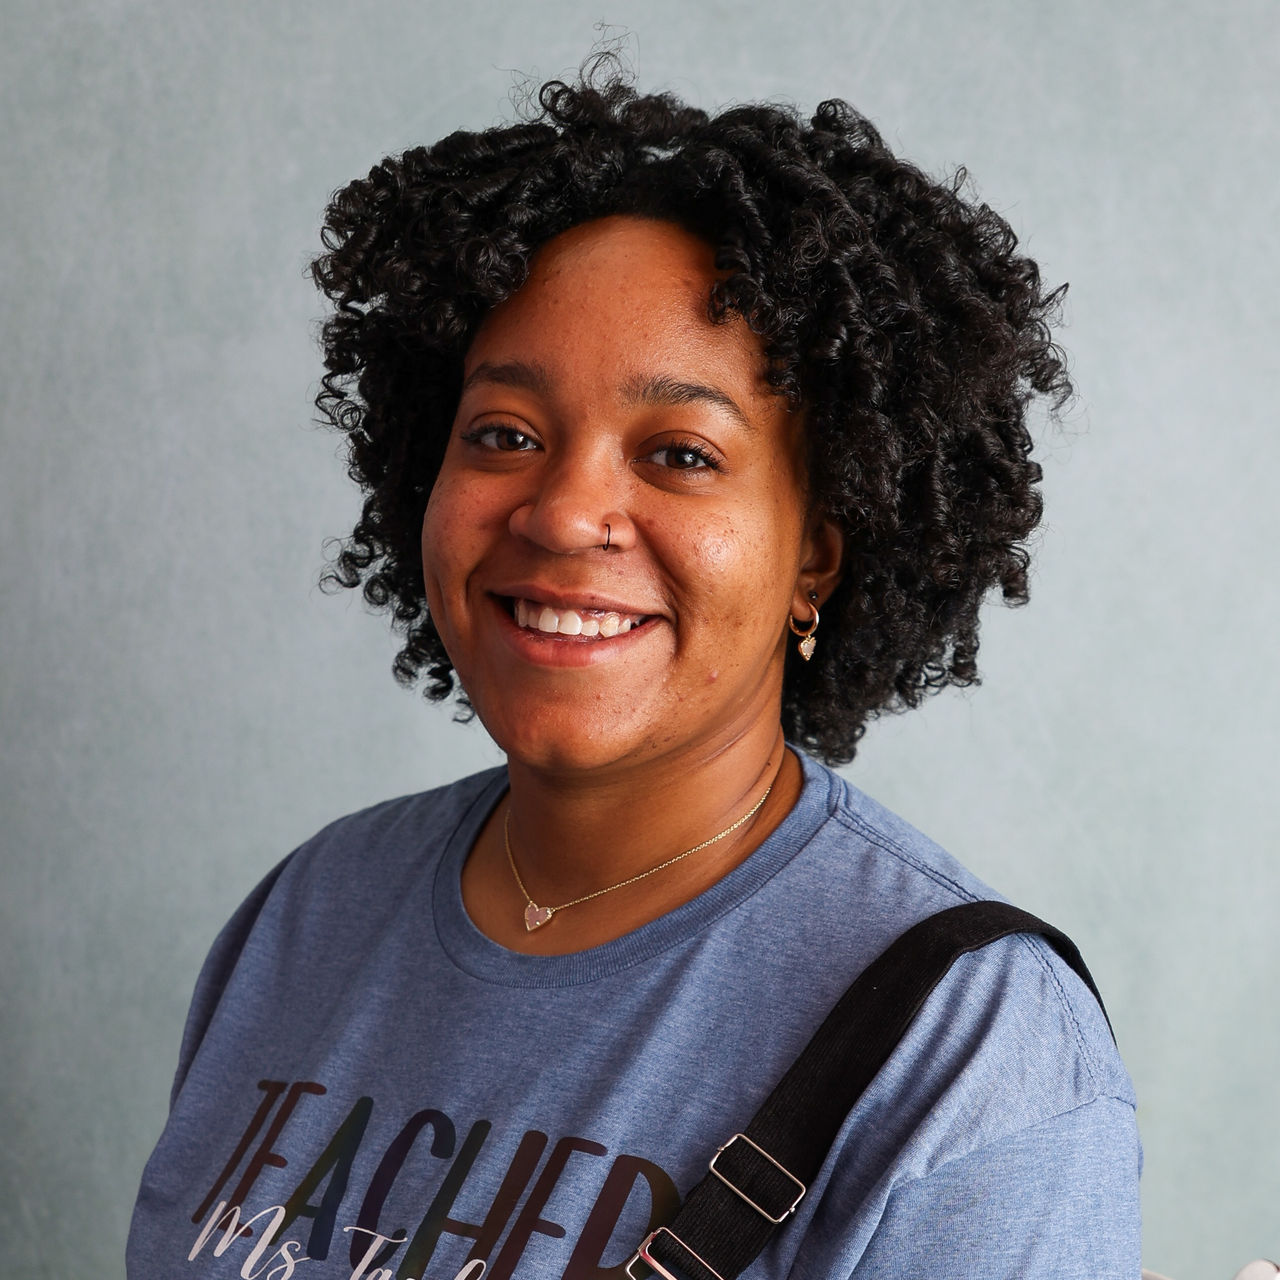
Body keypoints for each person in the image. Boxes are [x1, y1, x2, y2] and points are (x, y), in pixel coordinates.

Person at [128, 65, 1141, 1280]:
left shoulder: (971, 1051)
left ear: (817, 552)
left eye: (680, 453)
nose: (563, 512)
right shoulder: (310, 911)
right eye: (504, 434)